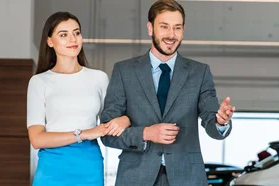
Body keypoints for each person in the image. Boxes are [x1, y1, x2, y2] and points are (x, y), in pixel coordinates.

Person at [99, 1, 236, 185]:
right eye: (164, 27)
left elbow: (212, 124)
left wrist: (220, 122)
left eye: (177, 28)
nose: (171, 35)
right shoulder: (125, 71)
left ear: (183, 30)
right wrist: (146, 133)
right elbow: (107, 133)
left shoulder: (199, 72)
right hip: (136, 177)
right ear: (150, 28)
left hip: (186, 177)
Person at [26, 12, 130, 186]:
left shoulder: (99, 78)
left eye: (77, 32)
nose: (72, 39)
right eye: (63, 34)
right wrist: (85, 133)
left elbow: (113, 120)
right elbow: (37, 139)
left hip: (89, 165)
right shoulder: (39, 82)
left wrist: (125, 119)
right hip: (52, 168)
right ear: (50, 41)